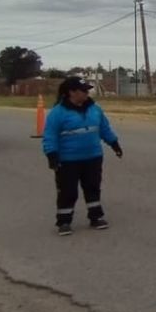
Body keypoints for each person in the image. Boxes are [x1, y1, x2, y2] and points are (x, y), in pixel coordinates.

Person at [42, 76, 123, 236]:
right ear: (71, 92)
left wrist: (114, 144)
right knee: (68, 191)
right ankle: (64, 221)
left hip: (93, 156)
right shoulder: (58, 113)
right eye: (83, 90)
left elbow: (104, 128)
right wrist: (52, 155)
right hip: (68, 160)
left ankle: (96, 217)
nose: (87, 93)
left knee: (93, 187)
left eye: (87, 90)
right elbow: (50, 136)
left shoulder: (95, 109)